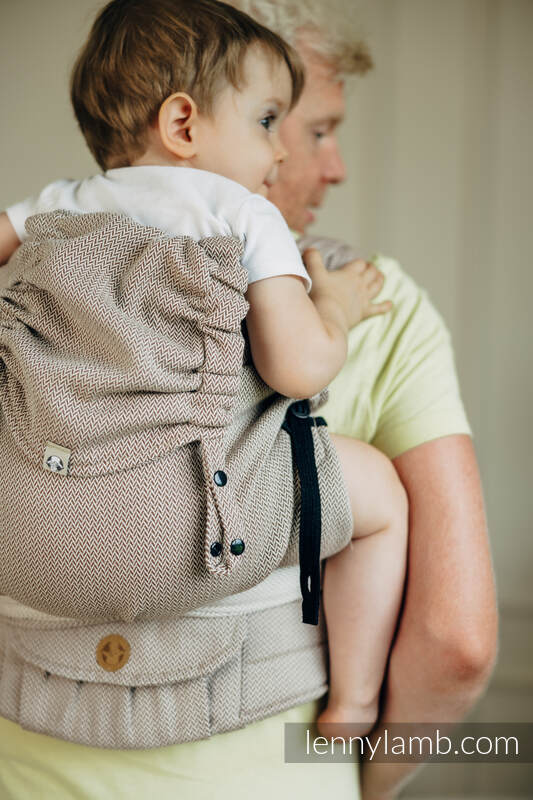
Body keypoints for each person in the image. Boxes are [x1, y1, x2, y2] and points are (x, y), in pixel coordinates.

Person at [0, 2, 498, 800]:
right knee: (378, 494)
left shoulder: (59, 205)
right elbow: (457, 641)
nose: (296, 154)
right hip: (217, 586)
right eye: (283, 122)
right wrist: (331, 304)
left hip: (27, 699)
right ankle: (354, 702)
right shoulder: (250, 221)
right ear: (185, 122)